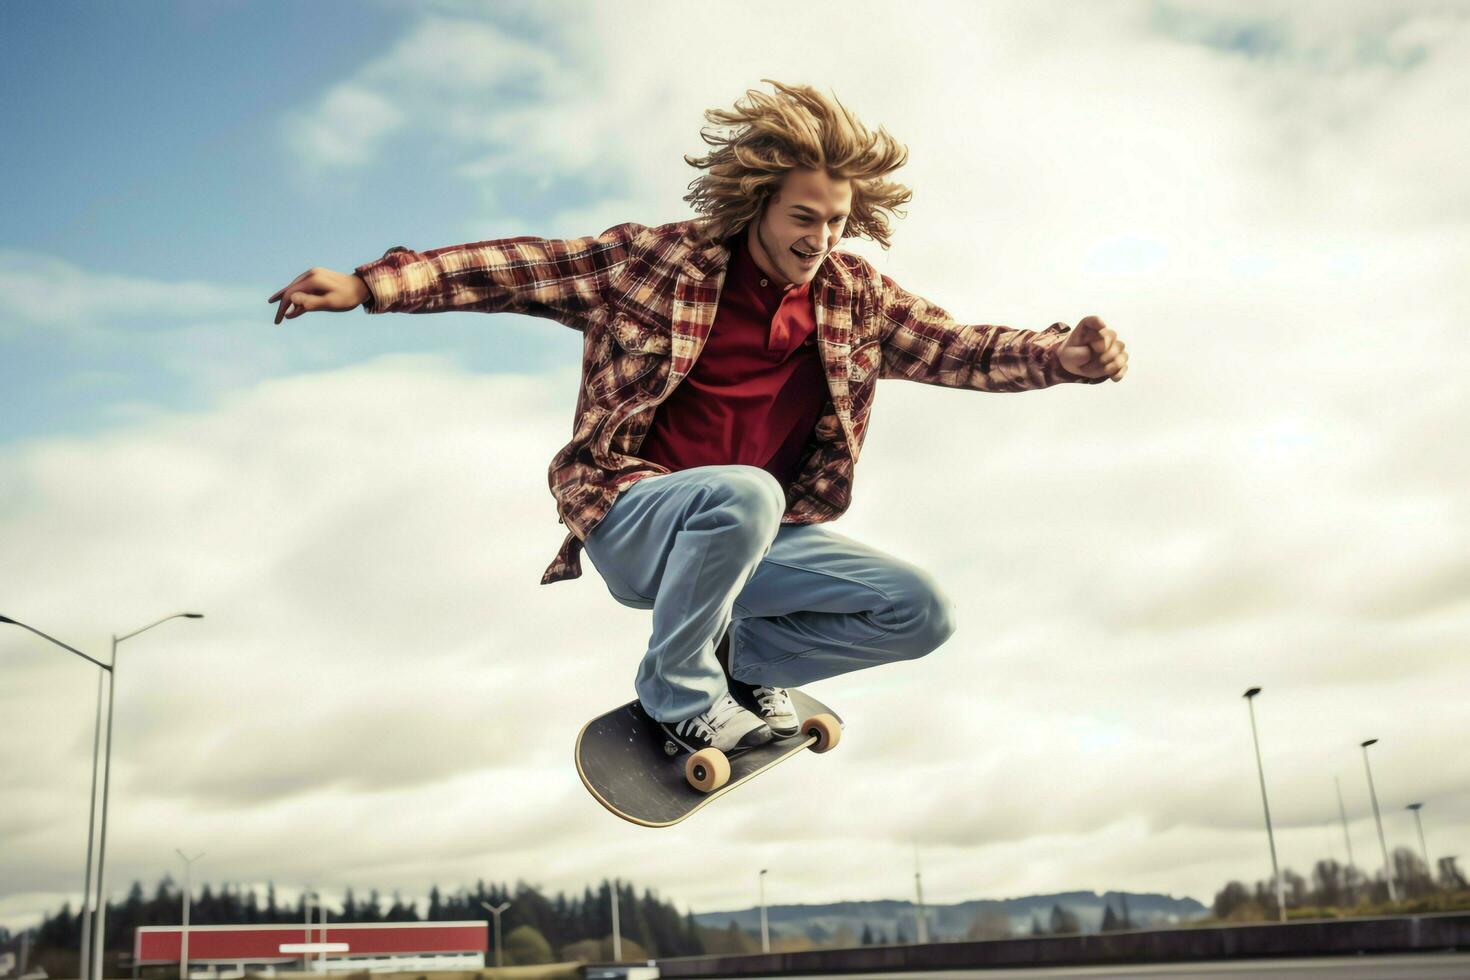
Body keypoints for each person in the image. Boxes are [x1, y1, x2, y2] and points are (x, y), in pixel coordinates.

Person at [266, 79, 1128, 758]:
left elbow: (956, 346)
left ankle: (748, 665)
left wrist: (1060, 358)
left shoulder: (853, 298)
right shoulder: (653, 262)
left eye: (833, 223)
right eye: (802, 218)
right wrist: (373, 286)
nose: (818, 239)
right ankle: (680, 696)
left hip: (748, 542)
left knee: (919, 610)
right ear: (756, 203)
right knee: (747, 493)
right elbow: (520, 266)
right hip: (637, 519)